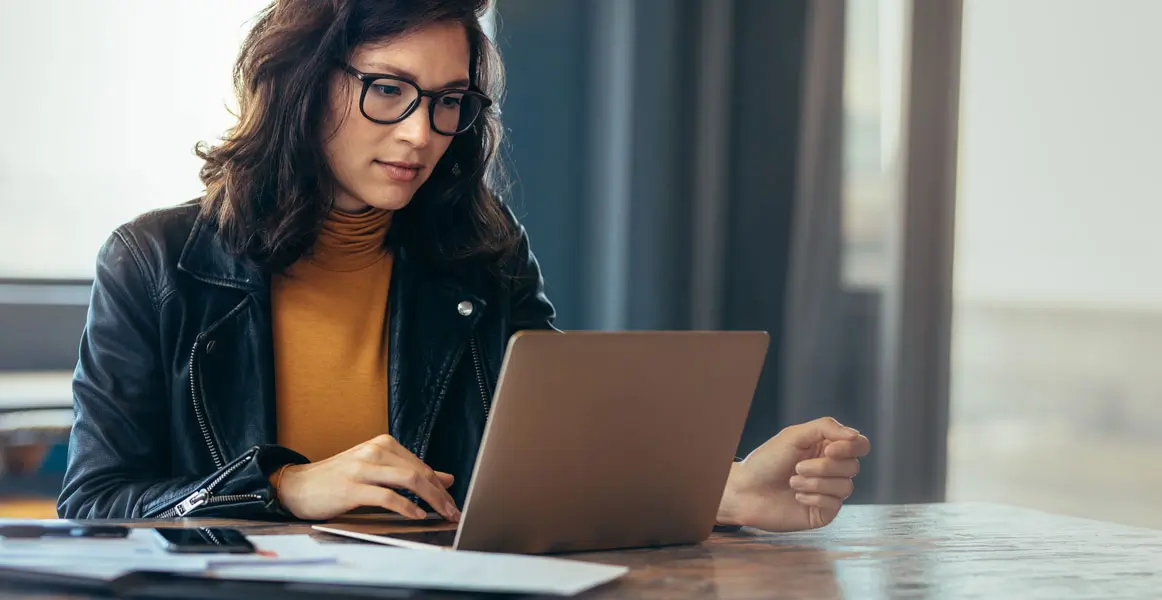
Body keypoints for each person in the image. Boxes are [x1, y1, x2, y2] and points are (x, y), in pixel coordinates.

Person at [57, 0, 870, 533]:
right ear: (301, 84)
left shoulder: (482, 252)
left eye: (450, 101)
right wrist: (284, 488)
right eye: (388, 90)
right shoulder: (156, 263)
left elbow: (556, 460)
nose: (421, 133)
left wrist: (721, 490)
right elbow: (93, 506)